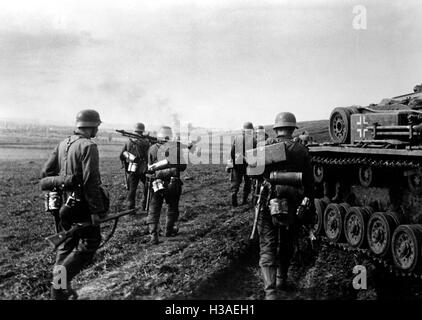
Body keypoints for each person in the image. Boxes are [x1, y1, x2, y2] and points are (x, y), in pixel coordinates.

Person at [41, 109, 108, 300]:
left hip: (64, 205)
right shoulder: (88, 146)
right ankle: (60, 283)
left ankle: (58, 292)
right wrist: (96, 211)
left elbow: (46, 173)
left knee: (65, 247)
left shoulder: (63, 144)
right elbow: (90, 181)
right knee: (90, 243)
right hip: (82, 207)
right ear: (92, 126)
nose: (97, 130)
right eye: (97, 126)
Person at [257, 112, 314, 300]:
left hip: (269, 201)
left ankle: (270, 292)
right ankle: (281, 278)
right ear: (292, 129)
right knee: (287, 241)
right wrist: (307, 201)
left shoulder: (267, 148)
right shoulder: (301, 150)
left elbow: (256, 175)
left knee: (268, 243)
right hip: (292, 202)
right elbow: (309, 182)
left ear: (276, 129)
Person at [146, 126, 187, 244]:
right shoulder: (176, 148)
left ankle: (153, 235)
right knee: (172, 207)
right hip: (173, 182)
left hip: (157, 183)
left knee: (154, 208)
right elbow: (183, 166)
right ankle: (169, 231)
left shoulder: (152, 148)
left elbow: (149, 167)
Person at [119, 123, 150, 210]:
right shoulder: (146, 142)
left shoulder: (128, 141)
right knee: (147, 188)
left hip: (132, 168)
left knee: (132, 190)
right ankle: (144, 206)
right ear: (142, 131)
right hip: (144, 169)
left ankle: (130, 208)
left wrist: (125, 165)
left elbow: (121, 155)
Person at [230, 122, 257, 207]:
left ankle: (234, 193)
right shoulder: (253, 140)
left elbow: (232, 152)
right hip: (247, 165)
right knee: (247, 182)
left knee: (236, 182)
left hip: (237, 164)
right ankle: (244, 200)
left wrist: (234, 162)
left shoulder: (237, 138)